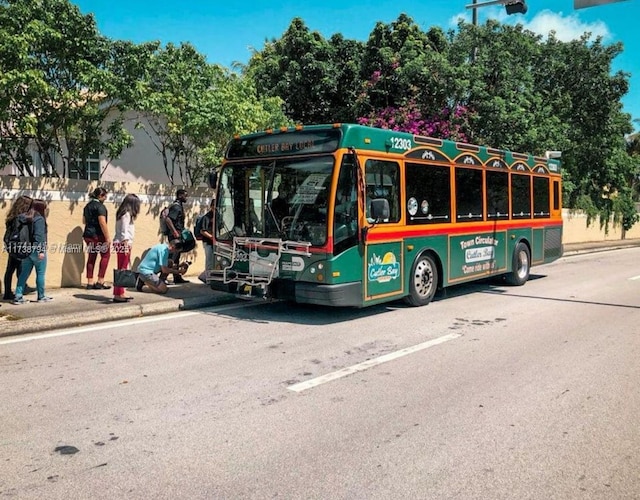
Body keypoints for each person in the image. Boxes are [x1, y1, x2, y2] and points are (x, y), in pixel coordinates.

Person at [13, 199, 51, 304]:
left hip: (25, 249)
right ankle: (41, 296)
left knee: (24, 273)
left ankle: (18, 296)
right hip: (36, 249)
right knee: (40, 273)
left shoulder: (22, 217)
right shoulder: (39, 219)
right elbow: (39, 236)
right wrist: (41, 251)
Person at [3, 195, 35, 301]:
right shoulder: (21, 218)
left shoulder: (11, 217)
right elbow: (23, 234)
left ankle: (8, 292)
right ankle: (21, 289)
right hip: (19, 246)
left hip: (11, 245)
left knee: (10, 269)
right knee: (21, 268)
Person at [112, 194, 141, 303]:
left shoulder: (122, 213)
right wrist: (125, 243)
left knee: (122, 268)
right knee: (122, 269)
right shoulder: (126, 214)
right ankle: (118, 294)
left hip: (121, 242)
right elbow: (124, 230)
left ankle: (120, 292)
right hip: (123, 243)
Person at [83, 187, 111, 289]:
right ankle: (100, 280)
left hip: (88, 235)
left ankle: (90, 282)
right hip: (98, 235)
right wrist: (107, 238)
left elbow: (84, 221)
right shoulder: (100, 207)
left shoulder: (87, 206)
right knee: (105, 256)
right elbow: (102, 222)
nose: (106, 198)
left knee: (91, 257)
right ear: (100, 196)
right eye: (105, 196)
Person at [163, 189, 188, 284]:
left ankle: (177, 277)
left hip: (178, 234)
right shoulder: (176, 207)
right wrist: (174, 232)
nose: (186, 197)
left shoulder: (178, 206)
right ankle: (163, 277)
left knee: (176, 256)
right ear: (180, 195)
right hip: (175, 236)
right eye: (185, 195)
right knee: (172, 257)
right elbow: (168, 220)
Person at [198, 199, 215, 284]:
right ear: (211, 206)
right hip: (208, 242)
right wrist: (212, 237)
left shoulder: (218, 216)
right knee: (209, 260)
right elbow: (202, 231)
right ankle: (208, 279)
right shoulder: (207, 217)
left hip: (215, 242)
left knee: (214, 261)